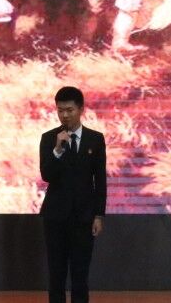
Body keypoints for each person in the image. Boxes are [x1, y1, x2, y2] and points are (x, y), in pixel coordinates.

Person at [39, 86, 107, 303]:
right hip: (55, 217)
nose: (65, 115)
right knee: (56, 275)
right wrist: (58, 150)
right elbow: (46, 175)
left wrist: (99, 215)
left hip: (84, 218)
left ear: (81, 109)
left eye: (69, 110)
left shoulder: (95, 139)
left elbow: (100, 180)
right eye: (60, 110)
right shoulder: (49, 138)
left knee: (80, 276)